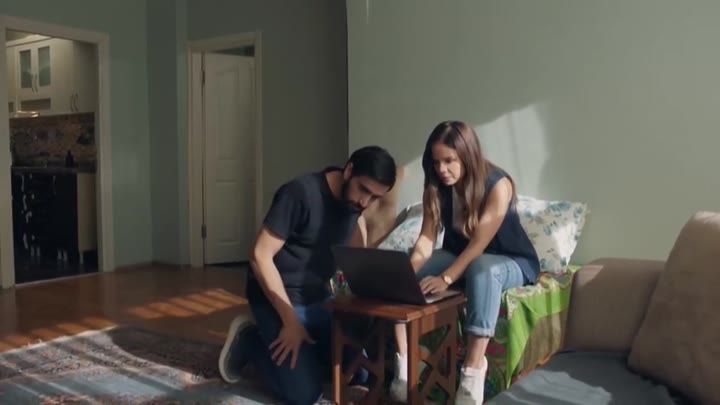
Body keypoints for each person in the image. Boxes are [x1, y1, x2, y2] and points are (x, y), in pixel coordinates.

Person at [218, 146, 397, 405]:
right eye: (363, 190)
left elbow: (348, 261)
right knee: (304, 395)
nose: (364, 202)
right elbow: (260, 255)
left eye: (374, 197)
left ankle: (306, 353)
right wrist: (290, 322)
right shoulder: (300, 193)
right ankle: (250, 341)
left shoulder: (355, 204)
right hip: (280, 298)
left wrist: (348, 304)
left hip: (319, 298)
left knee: (360, 373)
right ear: (348, 170)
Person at [389, 121, 540, 404]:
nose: (442, 169)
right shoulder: (437, 186)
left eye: (449, 161)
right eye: (436, 162)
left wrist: (446, 278)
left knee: (482, 268)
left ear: (467, 155)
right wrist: (406, 274)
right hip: (460, 255)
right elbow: (426, 239)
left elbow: (479, 244)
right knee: (399, 277)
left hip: (510, 259)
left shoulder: (498, 184)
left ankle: (472, 371)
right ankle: (404, 366)